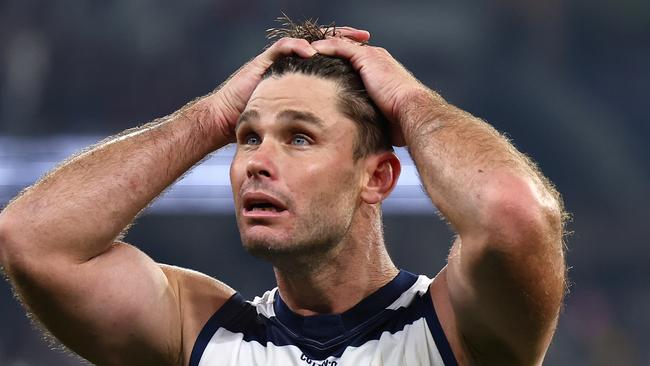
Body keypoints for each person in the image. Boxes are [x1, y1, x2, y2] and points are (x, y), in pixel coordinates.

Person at [0, 18, 567, 366]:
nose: (256, 163)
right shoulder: (198, 335)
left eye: (299, 137)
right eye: (247, 138)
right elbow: (33, 238)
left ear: (377, 177)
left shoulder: (457, 331)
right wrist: (210, 116)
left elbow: (511, 212)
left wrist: (413, 105)